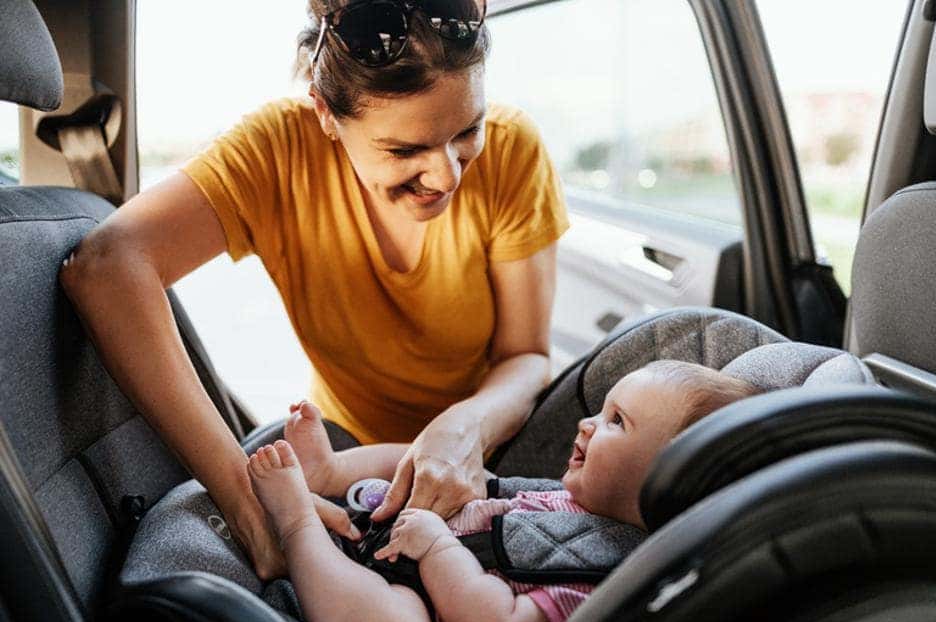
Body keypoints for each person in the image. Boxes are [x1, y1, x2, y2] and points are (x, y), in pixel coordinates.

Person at [59, 0, 569, 579]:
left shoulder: (514, 150)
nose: (448, 174)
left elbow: (525, 357)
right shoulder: (279, 152)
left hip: (492, 443)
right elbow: (104, 266)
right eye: (404, 150)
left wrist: (464, 427)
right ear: (326, 114)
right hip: (346, 455)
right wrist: (247, 505)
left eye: (466, 132)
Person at [247, 361, 761, 622]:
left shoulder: (608, 581)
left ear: (666, 482)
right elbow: (490, 497)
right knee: (456, 467)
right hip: (408, 541)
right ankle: (332, 472)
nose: (586, 424)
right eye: (601, 412)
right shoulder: (569, 500)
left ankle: (294, 525)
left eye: (616, 423)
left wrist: (437, 550)